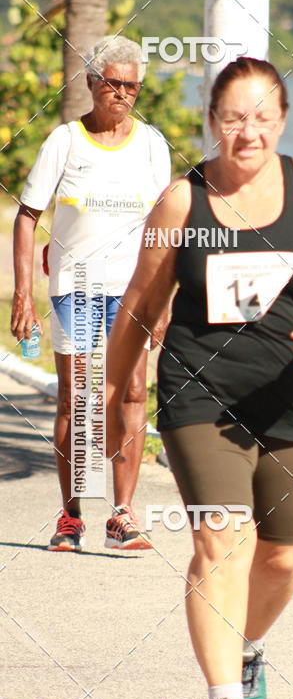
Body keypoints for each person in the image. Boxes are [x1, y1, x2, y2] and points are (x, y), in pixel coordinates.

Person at [105, 56, 293, 699]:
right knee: (220, 540)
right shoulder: (181, 202)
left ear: (281, 121)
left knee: (282, 557)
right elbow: (139, 306)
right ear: (212, 120)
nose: (248, 132)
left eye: (262, 118)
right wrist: (111, 395)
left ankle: (246, 647)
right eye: (233, 118)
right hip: (200, 392)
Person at [11, 35, 171, 552]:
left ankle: (122, 514)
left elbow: (167, 225)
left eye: (132, 86)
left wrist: (166, 298)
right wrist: (23, 295)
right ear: (91, 82)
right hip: (75, 287)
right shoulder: (65, 141)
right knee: (77, 398)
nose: (122, 94)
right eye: (113, 83)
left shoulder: (151, 144)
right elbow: (27, 216)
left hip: (134, 290)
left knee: (132, 394)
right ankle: (72, 515)